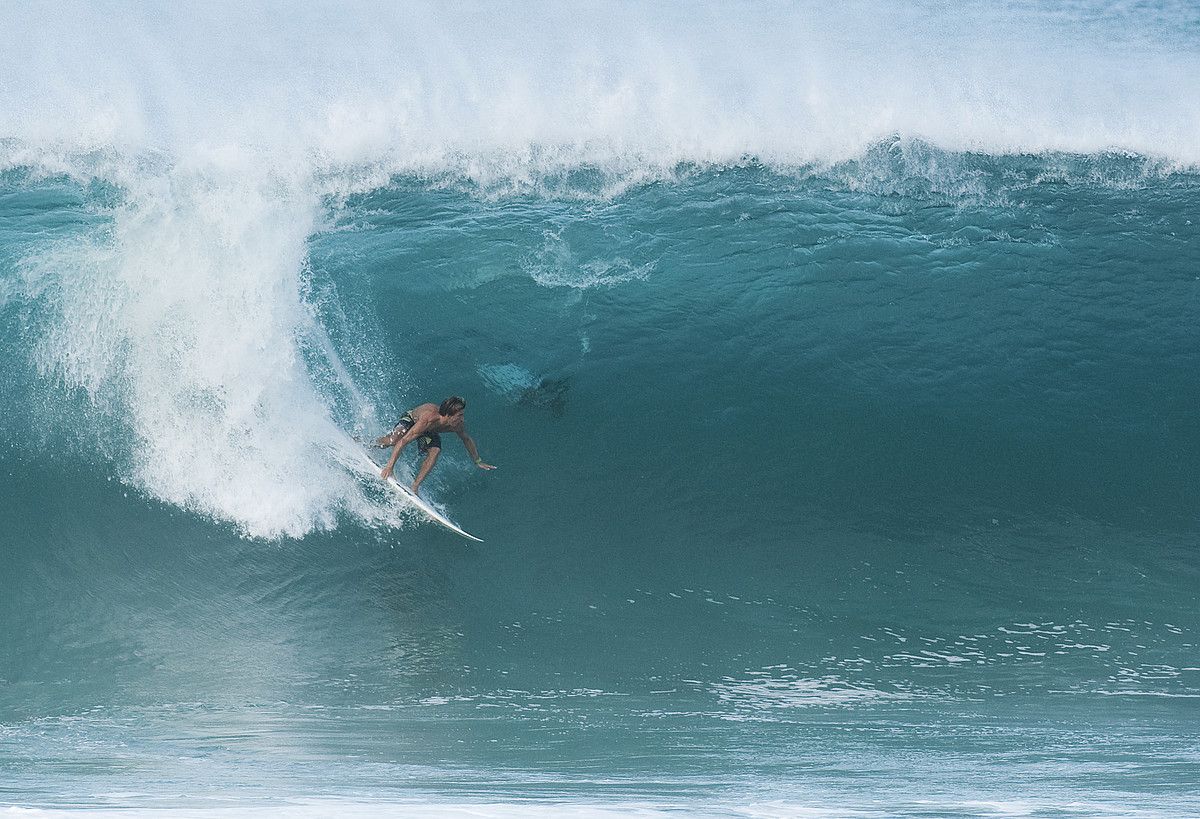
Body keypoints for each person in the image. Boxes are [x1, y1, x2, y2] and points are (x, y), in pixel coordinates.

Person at [375, 396, 495, 496]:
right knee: (393, 440)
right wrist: (389, 467)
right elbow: (404, 441)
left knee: (435, 451)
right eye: (459, 415)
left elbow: (467, 440)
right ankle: (371, 444)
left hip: (429, 431)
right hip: (413, 420)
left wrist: (477, 461)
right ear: (449, 415)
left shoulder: (457, 425)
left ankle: (415, 486)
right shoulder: (429, 418)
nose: (462, 419)